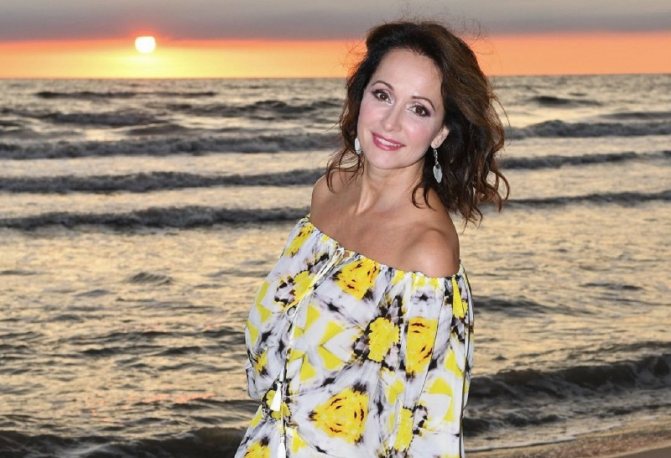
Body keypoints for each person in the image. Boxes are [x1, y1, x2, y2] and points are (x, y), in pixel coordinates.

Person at [236, 20, 508, 457]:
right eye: (383, 95)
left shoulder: (426, 253)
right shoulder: (328, 194)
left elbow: (426, 429)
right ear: (361, 96)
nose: (391, 122)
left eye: (419, 109)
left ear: (441, 131)